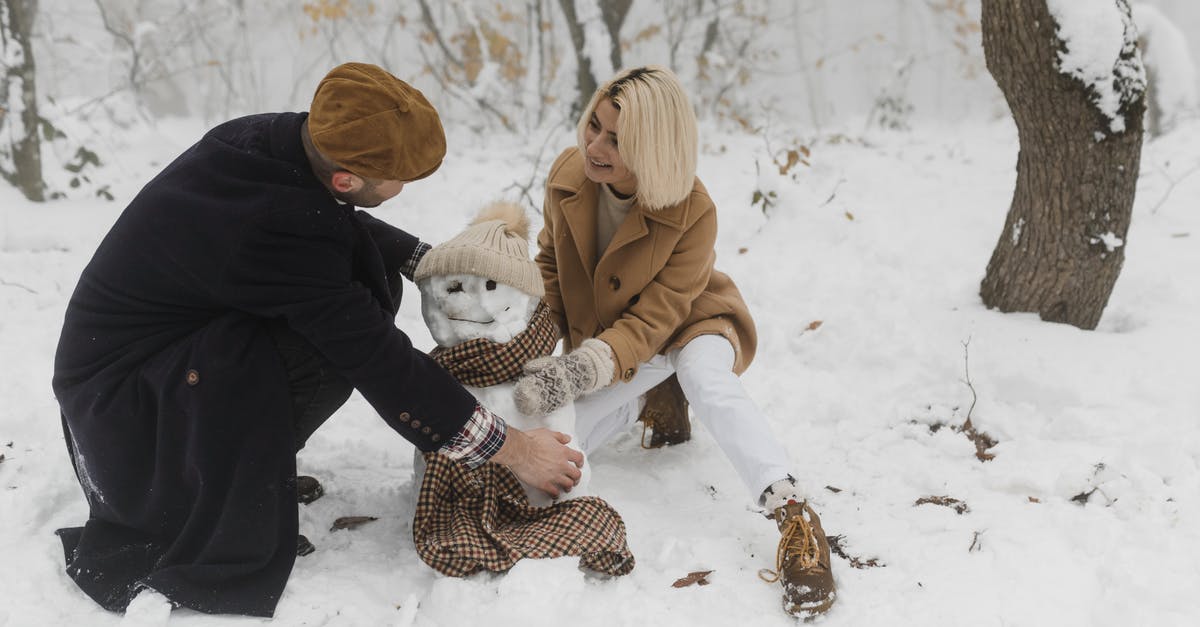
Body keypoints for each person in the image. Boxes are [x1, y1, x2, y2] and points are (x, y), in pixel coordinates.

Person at [51, 62, 582, 618]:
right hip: (128, 410)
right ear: (346, 180)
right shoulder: (279, 229)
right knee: (318, 352)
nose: (406, 188)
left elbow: (339, 223)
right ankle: (199, 491)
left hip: (146, 360)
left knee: (340, 303)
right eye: (399, 178)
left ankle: (237, 462)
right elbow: (379, 359)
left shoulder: (273, 140)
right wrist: (513, 449)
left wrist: (437, 263)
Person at [512, 65, 837, 619]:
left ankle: (792, 510)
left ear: (653, 145)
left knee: (704, 377)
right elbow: (549, 263)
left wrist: (583, 368)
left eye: (616, 139)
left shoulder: (693, 209)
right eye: (594, 125)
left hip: (689, 321)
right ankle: (648, 398)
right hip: (613, 345)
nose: (595, 144)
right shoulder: (568, 174)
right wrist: (534, 348)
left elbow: (658, 318)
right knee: (548, 454)